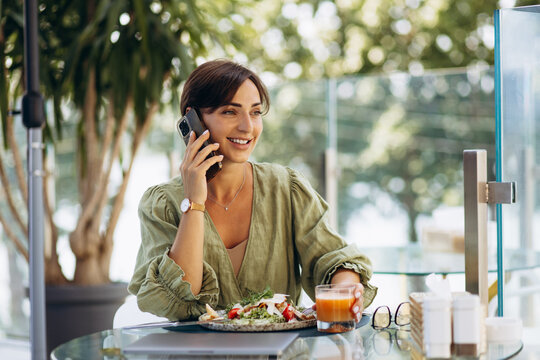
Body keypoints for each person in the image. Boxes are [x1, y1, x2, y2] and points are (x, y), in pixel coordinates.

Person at [128, 59, 377, 321]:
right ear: (193, 119)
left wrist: (345, 285)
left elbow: (332, 256)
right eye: (229, 112)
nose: (248, 127)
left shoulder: (286, 188)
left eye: (256, 112)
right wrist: (194, 203)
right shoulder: (163, 204)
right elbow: (179, 300)